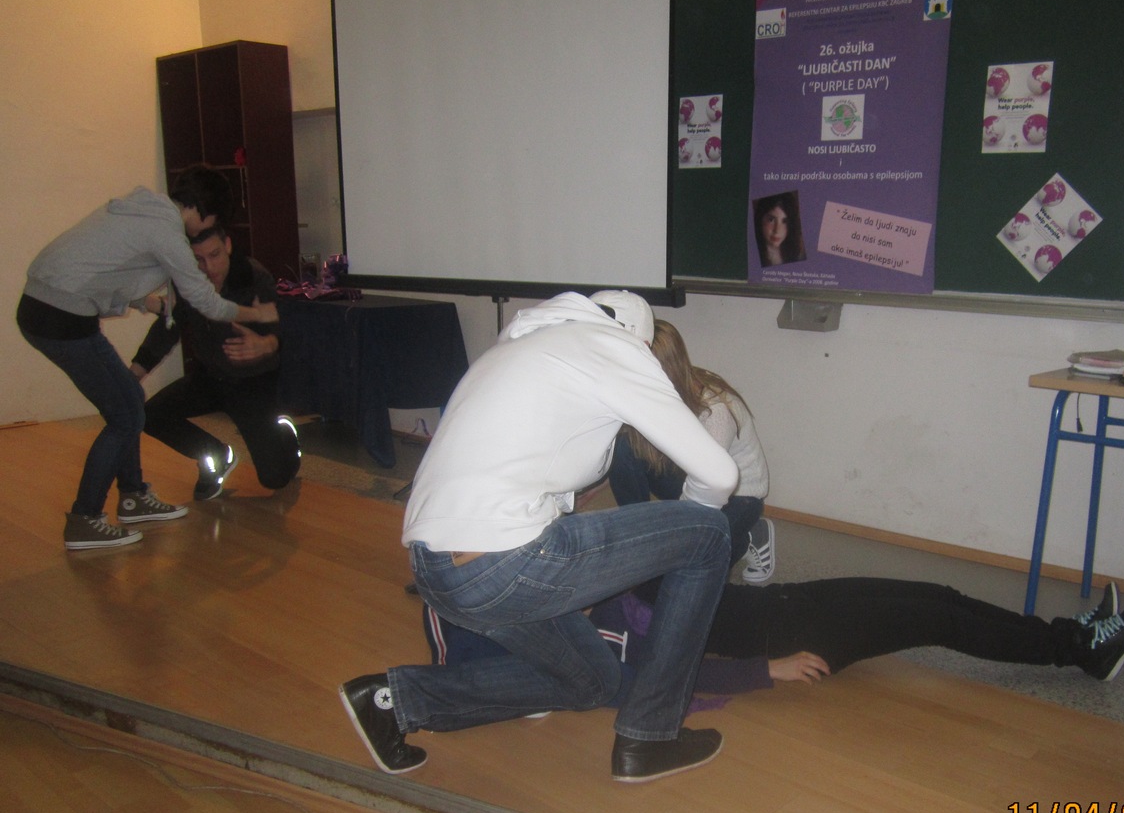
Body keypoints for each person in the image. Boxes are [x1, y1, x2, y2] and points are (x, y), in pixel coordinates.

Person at [339, 290, 741, 782]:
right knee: (709, 533)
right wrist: (687, 534)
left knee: (593, 682)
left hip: (438, 570)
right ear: (637, 341)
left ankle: (395, 701)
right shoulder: (611, 346)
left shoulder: (519, 348)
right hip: (505, 559)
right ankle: (650, 736)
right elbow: (719, 475)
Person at [17, 165, 278, 550]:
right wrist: (256, 314)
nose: (206, 229)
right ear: (202, 211)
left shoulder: (143, 210)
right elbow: (204, 300)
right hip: (60, 317)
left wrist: (148, 303)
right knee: (125, 417)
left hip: (51, 308)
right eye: (211, 220)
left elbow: (106, 271)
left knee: (129, 400)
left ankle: (133, 496)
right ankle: (85, 519)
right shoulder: (165, 230)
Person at [426, 579, 1124, 697]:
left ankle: (1072, 634)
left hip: (785, 601)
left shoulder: (583, 590)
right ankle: (1082, 653)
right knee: (939, 619)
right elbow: (669, 676)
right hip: (797, 631)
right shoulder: (605, 641)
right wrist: (766, 671)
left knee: (937, 597)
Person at [130, 225, 301, 501]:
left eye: (214, 255)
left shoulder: (253, 276)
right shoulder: (187, 280)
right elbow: (168, 328)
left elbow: (283, 325)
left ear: (228, 246)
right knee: (148, 415)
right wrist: (133, 375)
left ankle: (283, 432)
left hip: (253, 382)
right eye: (199, 259)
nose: (209, 267)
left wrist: (267, 343)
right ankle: (216, 456)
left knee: (275, 478)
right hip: (210, 377)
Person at [609, 319, 775, 583]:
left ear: (664, 369)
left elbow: (708, 485)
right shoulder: (655, 388)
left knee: (693, 565)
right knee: (623, 448)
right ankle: (636, 533)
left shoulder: (716, 411)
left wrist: (673, 541)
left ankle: (749, 537)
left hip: (737, 493)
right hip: (685, 471)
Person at [753, 191, 806, 267]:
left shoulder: (797, 253)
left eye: (785, 221)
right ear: (760, 219)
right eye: (771, 220)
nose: (777, 230)